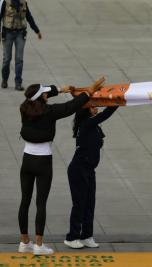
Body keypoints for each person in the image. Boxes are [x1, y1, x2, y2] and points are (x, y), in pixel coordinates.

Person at [18, 77, 105, 255]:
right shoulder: (50, 111)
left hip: (26, 159)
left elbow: (39, 93)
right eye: (45, 93)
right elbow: (72, 106)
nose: (47, 94)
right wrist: (89, 90)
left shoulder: (24, 107)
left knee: (25, 202)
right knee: (40, 203)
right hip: (43, 162)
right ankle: (39, 245)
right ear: (42, 97)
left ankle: (24, 242)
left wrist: (61, 89)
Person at [63, 105, 118, 249]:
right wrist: (116, 103)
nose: (96, 108)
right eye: (93, 107)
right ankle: (72, 237)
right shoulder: (87, 123)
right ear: (86, 110)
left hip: (89, 170)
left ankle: (86, 236)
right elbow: (104, 115)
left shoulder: (94, 125)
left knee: (89, 203)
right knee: (80, 204)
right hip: (78, 169)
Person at [0, 0, 42, 91]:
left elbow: (29, 17)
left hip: (20, 33)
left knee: (19, 59)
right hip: (7, 33)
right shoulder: (5, 2)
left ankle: (18, 82)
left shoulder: (23, 3)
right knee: (7, 59)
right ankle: (4, 80)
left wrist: (37, 30)